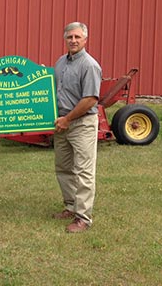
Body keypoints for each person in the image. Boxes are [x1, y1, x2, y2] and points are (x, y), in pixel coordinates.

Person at [53, 22, 102, 233]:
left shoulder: (90, 65)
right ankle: (70, 206)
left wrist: (68, 119)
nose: (73, 41)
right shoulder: (61, 62)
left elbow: (90, 99)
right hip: (62, 123)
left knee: (83, 171)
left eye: (77, 37)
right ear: (65, 39)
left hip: (81, 123)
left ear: (85, 40)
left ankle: (83, 217)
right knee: (64, 167)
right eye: (70, 37)